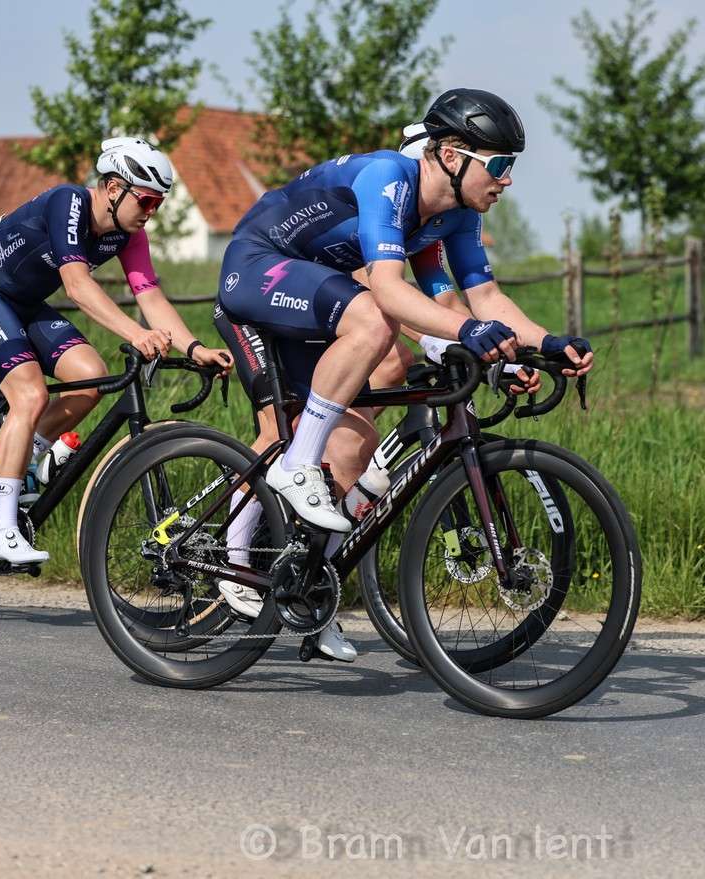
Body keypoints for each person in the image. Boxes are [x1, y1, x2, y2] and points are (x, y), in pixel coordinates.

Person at [213, 89, 593, 661]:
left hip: (311, 297)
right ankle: (241, 548)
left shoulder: (456, 216)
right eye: (499, 165)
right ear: (453, 155)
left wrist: (542, 343)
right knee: (369, 326)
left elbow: (482, 299)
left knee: (355, 446)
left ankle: (310, 596)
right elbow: (389, 292)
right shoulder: (389, 178)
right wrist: (468, 334)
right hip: (256, 268)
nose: (508, 180)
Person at [0, 137, 232, 567]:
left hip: (23, 303)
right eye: (147, 200)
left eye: (159, 203)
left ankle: (27, 459)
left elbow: (151, 297)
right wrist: (136, 333)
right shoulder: (69, 202)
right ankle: (1, 530)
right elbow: (77, 286)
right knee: (29, 394)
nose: (151, 212)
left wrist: (195, 348)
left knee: (90, 377)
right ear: (114, 188)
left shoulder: (127, 235)